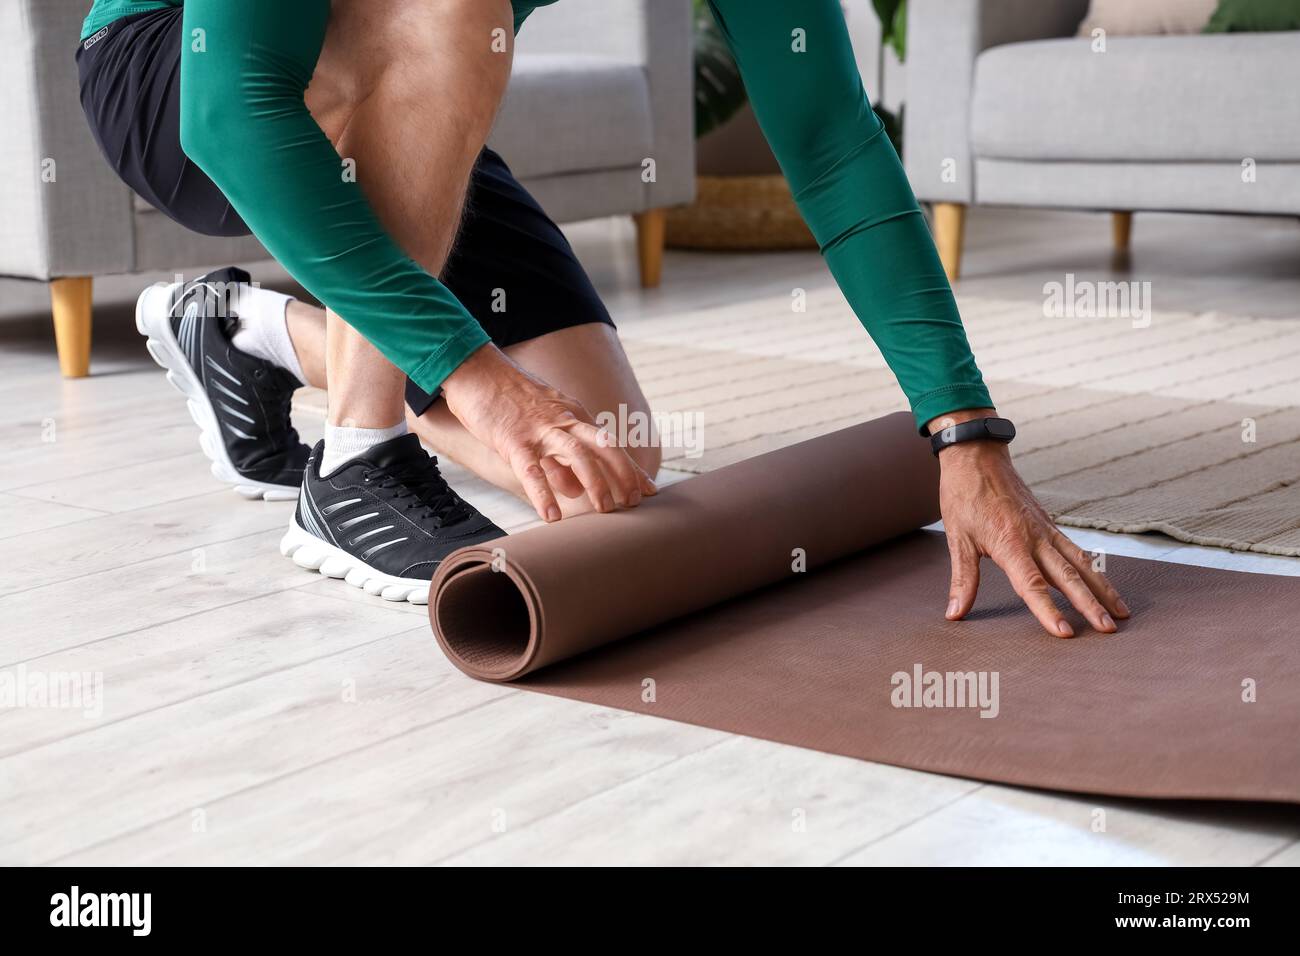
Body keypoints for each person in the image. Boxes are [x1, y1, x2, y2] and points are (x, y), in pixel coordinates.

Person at [76, 0, 1129, 635]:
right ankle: (357, 459)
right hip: (177, 76)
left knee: (599, 460)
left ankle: (245, 331)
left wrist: (961, 424)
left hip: (400, 95)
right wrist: (480, 383)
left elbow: (831, 146)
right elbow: (229, 110)